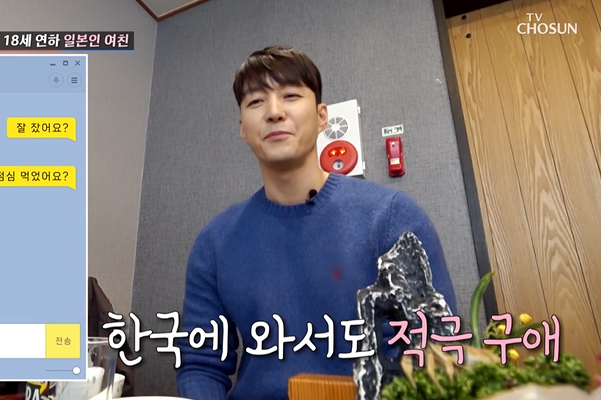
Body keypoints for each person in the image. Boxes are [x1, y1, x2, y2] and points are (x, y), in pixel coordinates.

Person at [175, 45, 458, 400]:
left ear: (322, 115)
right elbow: (200, 364)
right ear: (242, 128)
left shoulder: (391, 218)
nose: (274, 112)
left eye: (290, 96)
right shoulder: (215, 243)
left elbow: (437, 347)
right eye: (256, 101)